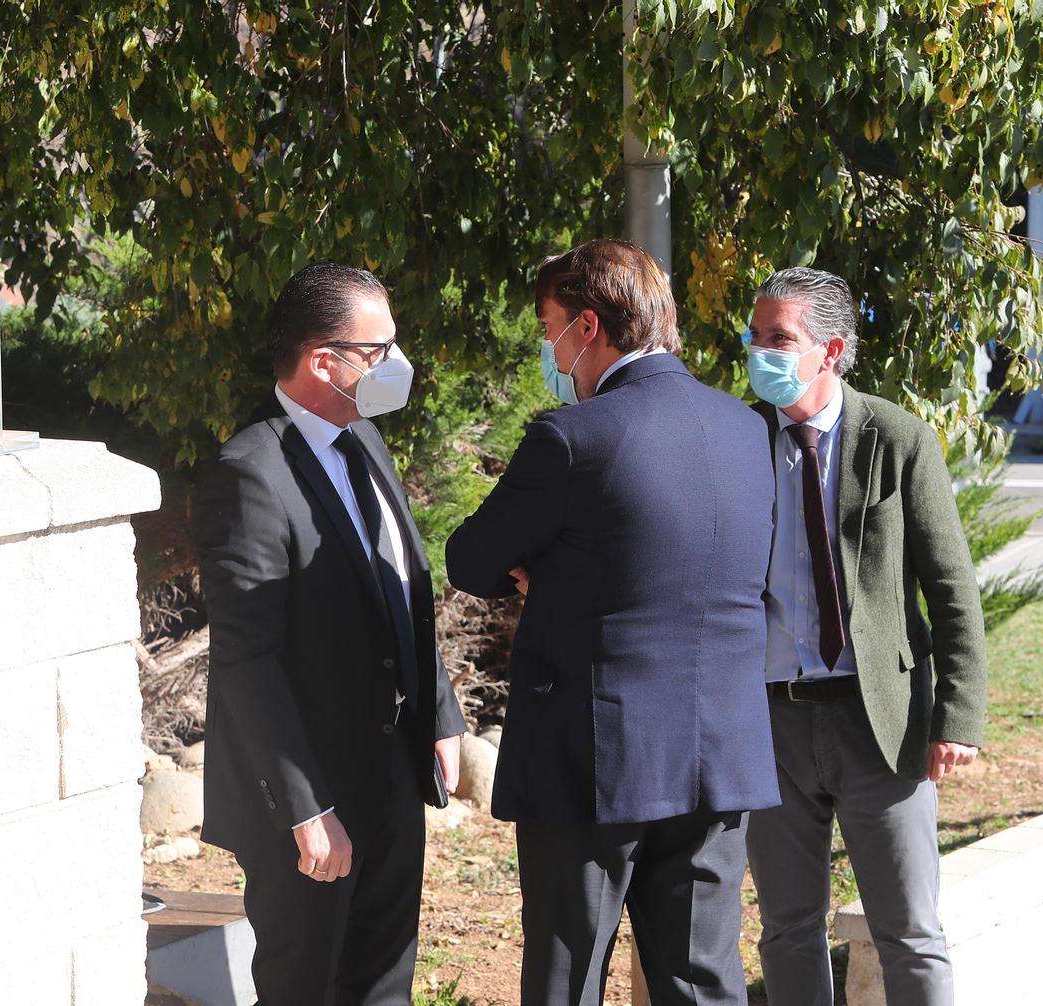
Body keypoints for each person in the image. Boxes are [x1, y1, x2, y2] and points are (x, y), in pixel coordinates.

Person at [445, 238, 779, 1006]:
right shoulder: (748, 431)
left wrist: (540, 565)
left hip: (594, 763)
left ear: (587, 326)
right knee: (701, 984)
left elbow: (470, 559)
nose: (546, 347)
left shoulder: (572, 436)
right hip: (718, 757)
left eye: (548, 326)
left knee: (569, 978)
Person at [194, 262, 467, 1006]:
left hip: (390, 776)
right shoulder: (249, 474)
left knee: (384, 984)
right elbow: (249, 660)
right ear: (323, 361)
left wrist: (439, 710)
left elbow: (400, 586)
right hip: (308, 802)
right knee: (306, 987)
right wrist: (307, 810)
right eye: (379, 352)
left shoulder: (363, 441)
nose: (396, 366)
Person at [742, 266, 987, 1006]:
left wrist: (959, 716)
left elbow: (951, 588)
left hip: (882, 719)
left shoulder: (896, 437)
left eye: (779, 338)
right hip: (770, 722)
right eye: (754, 337)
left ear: (832, 348)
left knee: (907, 927)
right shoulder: (737, 440)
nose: (761, 353)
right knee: (786, 927)